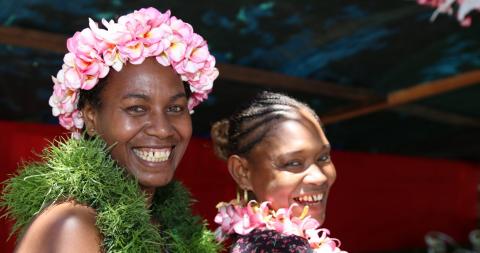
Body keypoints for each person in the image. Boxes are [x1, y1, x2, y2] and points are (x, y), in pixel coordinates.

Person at [1, 7, 220, 253]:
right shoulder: (75, 225)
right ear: (91, 118)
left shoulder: (166, 228)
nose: (162, 129)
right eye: (137, 108)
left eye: (175, 108)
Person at [211, 91, 346, 252]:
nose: (319, 177)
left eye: (323, 158)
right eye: (293, 163)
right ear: (242, 172)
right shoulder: (277, 246)